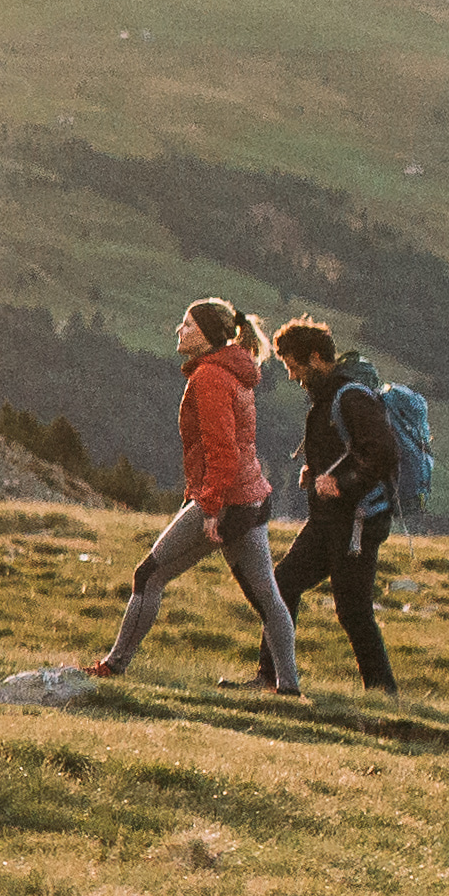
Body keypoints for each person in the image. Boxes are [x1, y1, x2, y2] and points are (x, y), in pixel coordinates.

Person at [86, 296, 302, 693]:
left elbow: (223, 451)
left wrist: (208, 508)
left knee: (149, 575)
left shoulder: (210, 377)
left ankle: (113, 667)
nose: (178, 331)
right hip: (251, 499)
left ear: (206, 335)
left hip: (228, 501)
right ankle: (287, 687)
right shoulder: (235, 372)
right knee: (268, 598)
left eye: (186, 325)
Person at [264, 319, 404, 695]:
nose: (293, 376)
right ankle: (273, 679)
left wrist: (341, 484)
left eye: (294, 366)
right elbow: (350, 449)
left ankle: (383, 693)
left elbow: (384, 453)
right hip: (330, 520)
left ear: (315, 358)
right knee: (283, 585)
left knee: (352, 609)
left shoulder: (351, 396)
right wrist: (317, 470)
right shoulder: (331, 397)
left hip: (355, 522)